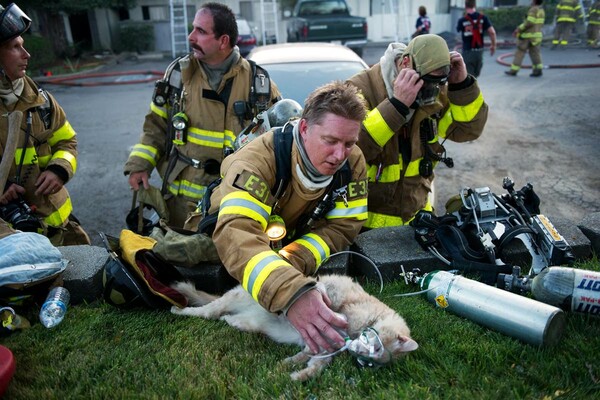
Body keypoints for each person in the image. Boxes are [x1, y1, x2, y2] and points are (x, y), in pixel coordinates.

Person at [186, 81, 369, 354]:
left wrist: (294, 258)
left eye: (349, 143)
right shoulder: (256, 161)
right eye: (330, 141)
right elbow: (237, 234)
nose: (340, 155)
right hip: (221, 229)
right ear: (304, 128)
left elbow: (344, 226)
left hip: (284, 239)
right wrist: (290, 292)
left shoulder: (353, 163)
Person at [124, 2, 281, 229]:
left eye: (201, 31)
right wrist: (139, 165)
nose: (191, 36)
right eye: (193, 28)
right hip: (180, 203)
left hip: (233, 200)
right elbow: (155, 126)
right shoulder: (178, 76)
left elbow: (278, 143)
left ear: (223, 41)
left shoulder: (259, 85)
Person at [346, 34, 488, 229]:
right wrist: (396, 107)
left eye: (438, 83)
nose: (432, 90)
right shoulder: (359, 90)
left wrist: (461, 85)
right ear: (406, 63)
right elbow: (350, 152)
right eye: (426, 81)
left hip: (418, 219)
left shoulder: (436, 89)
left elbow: (467, 131)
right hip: (366, 228)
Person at [0, 3, 90, 246]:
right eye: (15, 47)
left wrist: (59, 169)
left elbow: (67, 141)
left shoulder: (42, 101)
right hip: (12, 242)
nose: (26, 54)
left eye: (24, 45)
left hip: (61, 229)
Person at [456, 0, 497, 77]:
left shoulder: (462, 20)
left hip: (467, 52)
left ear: (465, 6)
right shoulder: (483, 18)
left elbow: (458, 30)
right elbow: (492, 32)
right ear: (475, 5)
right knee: (475, 76)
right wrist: (493, 45)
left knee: (468, 77)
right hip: (479, 52)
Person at [505, 0, 545, 77]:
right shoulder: (541, 10)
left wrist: (518, 29)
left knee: (520, 52)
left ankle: (513, 70)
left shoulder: (533, 9)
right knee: (535, 53)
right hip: (536, 36)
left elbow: (529, 22)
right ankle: (538, 70)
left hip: (527, 36)